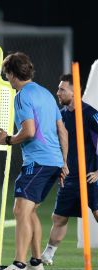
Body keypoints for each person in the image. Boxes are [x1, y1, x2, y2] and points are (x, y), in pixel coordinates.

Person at [0, 52, 68, 270]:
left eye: (6, 74)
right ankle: (36, 263)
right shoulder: (45, 93)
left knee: (20, 210)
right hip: (53, 162)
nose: (6, 78)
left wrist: (7, 139)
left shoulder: (22, 96)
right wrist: (64, 162)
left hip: (38, 162)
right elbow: (62, 130)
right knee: (30, 211)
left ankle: (19, 264)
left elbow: (29, 131)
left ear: (11, 73)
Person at [41, 74, 98, 265]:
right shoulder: (60, 115)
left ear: (75, 92)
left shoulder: (90, 114)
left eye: (62, 89)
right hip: (69, 177)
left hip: (90, 176)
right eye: (58, 89)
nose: (57, 93)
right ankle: (48, 254)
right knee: (59, 217)